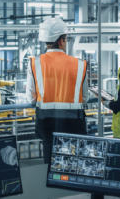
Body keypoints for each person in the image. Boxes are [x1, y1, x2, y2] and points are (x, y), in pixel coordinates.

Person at [26, 18, 88, 163]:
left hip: (46, 123)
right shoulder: (80, 65)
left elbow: (31, 98)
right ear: (61, 41)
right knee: (74, 165)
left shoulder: (34, 63)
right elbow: (84, 98)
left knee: (50, 166)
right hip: (74, 123)